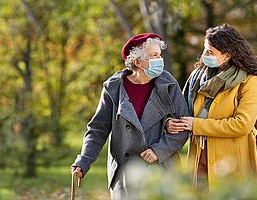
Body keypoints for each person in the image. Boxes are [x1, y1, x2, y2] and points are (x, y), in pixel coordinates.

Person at [71, 33, 189, 199]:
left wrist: (159, 150)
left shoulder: (168, 84)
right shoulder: (113, 87)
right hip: (124, 175)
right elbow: (97, 129)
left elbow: (184, 126)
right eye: (154, 56)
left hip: (161, 171)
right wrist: (84, 160)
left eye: (159, 55)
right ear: (137, 61)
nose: (159, 60)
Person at [166, 24, 257, 190]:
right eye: (204, 50)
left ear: (227, 55)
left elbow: (242, 124)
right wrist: (170, 123)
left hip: (231, 163)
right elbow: (181, 113)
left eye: (209, 52)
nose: (203, 56)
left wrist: (197, 125)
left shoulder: (249, 81)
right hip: (199, 159)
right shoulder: (197, 78)